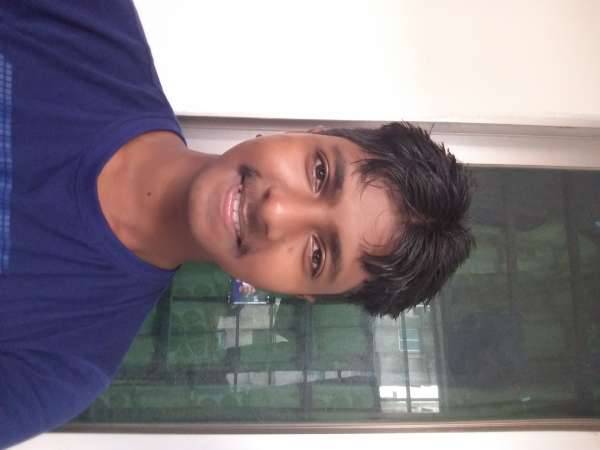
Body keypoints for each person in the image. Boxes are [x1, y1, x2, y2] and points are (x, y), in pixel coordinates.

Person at [0, 1, 473, 447]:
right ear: (311, 133)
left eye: (316, 255)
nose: (275, 213)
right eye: (319, 172)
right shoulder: (90, 27)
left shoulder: (60, 365)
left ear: (301, 293)